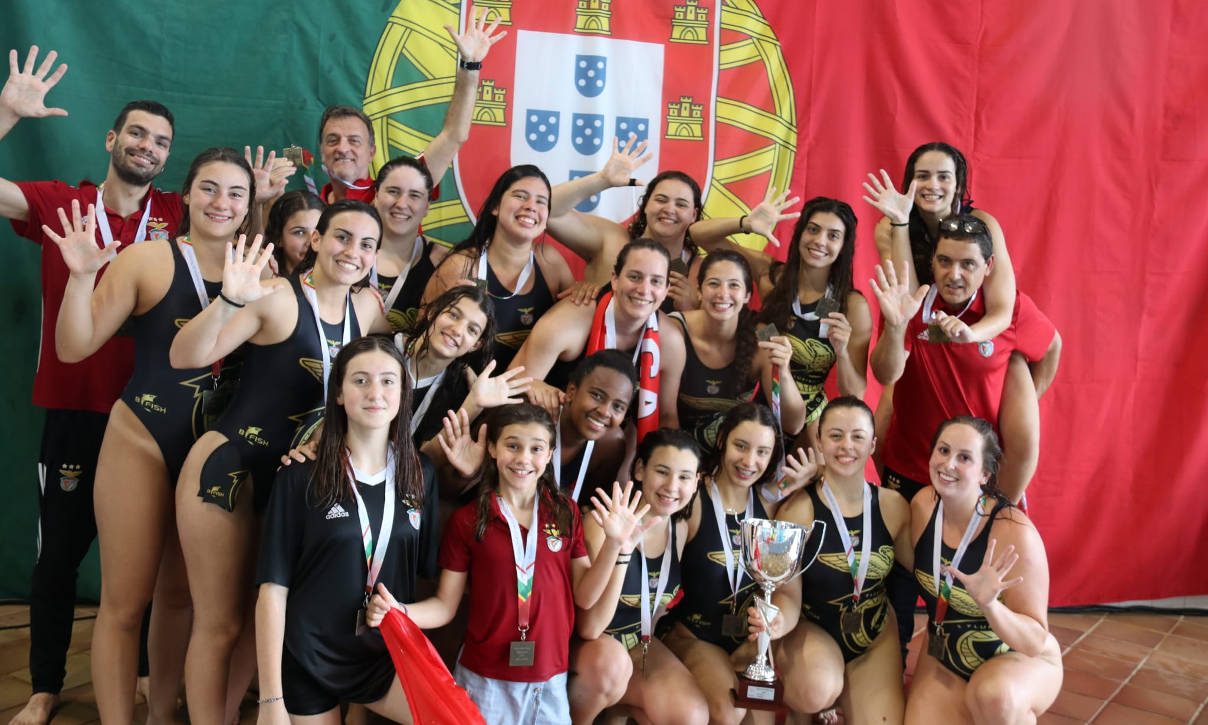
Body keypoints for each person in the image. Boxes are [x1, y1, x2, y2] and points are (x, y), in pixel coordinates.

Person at [0, 44, 181, 725]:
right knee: (58, 562)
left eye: (161, 141)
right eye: (136, 133)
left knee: (153, 560)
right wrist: (5, 113)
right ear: (111, 139)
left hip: (154, 417)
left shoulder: (180, 212)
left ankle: (138, 673)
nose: (147, 146)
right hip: (75, 413)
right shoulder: (62, 204)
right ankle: (44, 684)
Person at [50, 146, 258, 724]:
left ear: (249, 207)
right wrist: (81, 277)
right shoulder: (145, 259)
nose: (222, 202)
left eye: (236, 193)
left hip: (214, 454)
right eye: (210, 188)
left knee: (179, 598)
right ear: (185, 195)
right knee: (124, 603)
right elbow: (74, 348)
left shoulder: (264, 272)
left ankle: (164, 714)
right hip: (142, 440)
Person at [169, 199, 390, 723]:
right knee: (219, 624)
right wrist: (227, 301)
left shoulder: (371, 312)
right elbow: (184, 357)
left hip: (298, 483)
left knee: (260, 622)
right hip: (231, 469)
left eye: (366, 244)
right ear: (315, 240)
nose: (352, 253)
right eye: (341, 238)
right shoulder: (273, 297)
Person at [367, 403, 652, 725]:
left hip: (549, 680)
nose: (523, 458)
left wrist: (614, 545)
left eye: (536, 448)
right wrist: (400, 611)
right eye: (512, 446)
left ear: (549, 455)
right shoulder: (468, 520)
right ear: (492, 448)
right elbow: (446, 606)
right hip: (484, 680)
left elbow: (584, 596)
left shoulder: (564, 511)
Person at [255, 335, 441, 722]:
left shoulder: (421, 475)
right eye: (360, 380)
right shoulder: (301, 475)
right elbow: (273, 591)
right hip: (310, 655)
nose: (376, 392)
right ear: (338, 393)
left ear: (403, 393)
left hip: (384, 655)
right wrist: (270, 701)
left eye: (389, 380)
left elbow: (423, 580)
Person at [860, 143, 1044, 497]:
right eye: (922, 175)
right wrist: (900, 222)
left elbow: (1003, 312)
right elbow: (911, 304)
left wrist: (973, 338)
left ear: (959, 186)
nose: (933, 185)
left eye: (944, 176)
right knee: (888, 415)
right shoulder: (889, 226)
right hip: (921, 330)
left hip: (972, 329)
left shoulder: (984, 226)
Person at [868, 220, 1061, 504]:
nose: (954, 274)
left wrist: (1020, 406)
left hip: (973, 477)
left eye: (968, 264)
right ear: (932, 260)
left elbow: (1052, 346)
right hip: (908, 468)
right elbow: (885, 375)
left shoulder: (1009, 311)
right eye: (944, 261)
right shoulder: (909, 301)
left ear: (988, 266)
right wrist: (897, 327)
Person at [661, 403, 817, 725]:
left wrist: (776, 623)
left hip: (747, 645)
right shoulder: (691, 501)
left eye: (762, 452)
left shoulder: (771, 506)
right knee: (729, 712)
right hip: (693, 638)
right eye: (741, 446)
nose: (749, 462)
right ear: (722, 441)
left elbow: (787, 591)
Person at [906, 416, 1062, 723]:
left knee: (994, 698)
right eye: (943, 450)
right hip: (949, 656)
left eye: (964, 458)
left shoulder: (1014, 532)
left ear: (985, 473)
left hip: (1016, 659)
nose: (948, 464)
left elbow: (1033, 641)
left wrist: (990, 605)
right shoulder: (922, 505)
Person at [770, 396, 911, 724]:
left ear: (872, 444)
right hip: (812, 631)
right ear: (818, 440)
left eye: (858, 436)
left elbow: (925, 572)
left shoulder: (894, 507)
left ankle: (845, 689)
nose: (847, 446)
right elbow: (786, 593)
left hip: (873, 634)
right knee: (815, 689)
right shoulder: (795, 512)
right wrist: (779, 622)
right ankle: (809, 701)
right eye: (835, 435)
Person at [546, 135, 798, 312]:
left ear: (694, 215)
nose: (669, 210)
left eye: (681, 204)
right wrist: (601, 180)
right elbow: (549, 211)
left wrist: (693, 309)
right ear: (645, 206)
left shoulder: (702, 271)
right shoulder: (611, 240)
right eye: (661, 200)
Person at [705, 196, 872, 449]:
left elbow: (854, 394)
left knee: (792, 484)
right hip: (759, 410)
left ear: (844, 246)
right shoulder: (771, 276)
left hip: (808, 422)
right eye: (813, 229)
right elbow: (700, 237)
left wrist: (843, 352)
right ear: (800, 232)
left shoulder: (852, 306)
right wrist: (745, 223)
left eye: (833, 235)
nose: (819, 241)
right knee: (761, 330)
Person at [570, 428, 709, 725]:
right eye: (662, 471)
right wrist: (621, 549)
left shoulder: (679, 528)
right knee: (611, 666)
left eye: (685, 477)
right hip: (591, 650)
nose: (672, 486)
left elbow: (655, 609)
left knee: (690, 716)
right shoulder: (604, 523)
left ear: (697, 482)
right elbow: (590, 627)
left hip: (636, 644)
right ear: (640, 469)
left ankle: (617, 712)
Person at [318, 5, 504, 204]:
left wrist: (471, 65)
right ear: (322, 151)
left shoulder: (400, 190)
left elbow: (454, 135)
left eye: (354, 140)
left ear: (371, 152)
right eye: (332, 140)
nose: (342, 148)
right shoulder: (306, 209)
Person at [508, 239, 686, 437]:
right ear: (614, 279)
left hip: (610, 442)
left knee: (616, 439)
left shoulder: (671, 341)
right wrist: (535, 386)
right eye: (635, 277)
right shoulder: (570, 319)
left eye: (656, 281)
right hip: (547, 433)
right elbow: (510, 384)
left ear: (666, 291)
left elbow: (667, 416)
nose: (644, 290)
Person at [423, 164, 577, 370]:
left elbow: (573, 330)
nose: (531, 206)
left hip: (530, 394)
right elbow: (423, 339)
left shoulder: (551, 263)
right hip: (467, 394)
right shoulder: (462, 266)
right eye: (521, 196)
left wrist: (586, 291)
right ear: (495, 206)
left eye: (541, 201)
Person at [671, 249, 805, 452]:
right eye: (713, 283)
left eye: (734, 285)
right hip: (676, 448)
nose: (723, 293)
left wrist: (784, 371)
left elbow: (793, 425)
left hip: (730, 455)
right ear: (699, 290)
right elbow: (662, 413)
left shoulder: (764, 333)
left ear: (747, 296)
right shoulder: (675, 327)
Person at [371, 156, 450, 331]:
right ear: (376, 196)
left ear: (427, 206)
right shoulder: (346, 251)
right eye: (393, 191)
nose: (402, 204)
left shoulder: (443, 262)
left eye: (414, 195)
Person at [265, 189, 324, 276]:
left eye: (318, 231)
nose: (311, 242)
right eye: (299, 232)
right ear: (278, 238)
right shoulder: (265, 279)